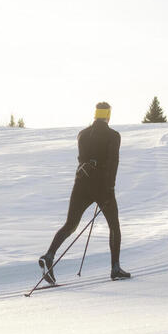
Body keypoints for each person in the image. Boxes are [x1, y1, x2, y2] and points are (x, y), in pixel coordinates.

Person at [38, 101, 131, 284]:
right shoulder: (113, 136)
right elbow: (113, 162)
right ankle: (115, 267)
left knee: (70, 224)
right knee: (114, 226)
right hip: (102, 186)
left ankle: (49, 255)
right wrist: (110, 188)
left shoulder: (82, 134)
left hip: (81, 183)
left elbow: (82, 158)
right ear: (108, 116)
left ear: (95, 115)